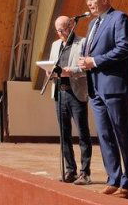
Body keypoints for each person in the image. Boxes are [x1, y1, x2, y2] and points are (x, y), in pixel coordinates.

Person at [79, 0, 128, 200]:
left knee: (122, 133)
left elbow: (124, 48)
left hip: (114, 85)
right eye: (87, 0)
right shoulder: (92, 24)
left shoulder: (119, 17)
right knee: (104, 135)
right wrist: (84, 62)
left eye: (92, 0)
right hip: (95, 87)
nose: (89, 4)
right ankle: (113, 179)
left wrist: (94, 61)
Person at [46, 15, 93, 185]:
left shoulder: (82, 43)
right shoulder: (55, 45)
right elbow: (52, 65)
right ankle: (70, 170)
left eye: (63, 29)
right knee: (64, 134)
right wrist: (49, 72)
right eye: (57, 30)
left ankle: (85, 173)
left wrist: (70, 71)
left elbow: (87, 68)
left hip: (76, 93)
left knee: (82, 133)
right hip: (60, 93)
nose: (60, 33)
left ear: (71, 25)